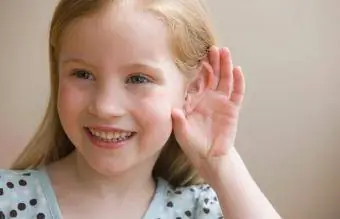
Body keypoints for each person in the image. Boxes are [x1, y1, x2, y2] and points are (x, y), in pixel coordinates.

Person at [0, 0, 281, 218]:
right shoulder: (6, 197)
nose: (105, 107)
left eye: (138, 79)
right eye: (82, 74)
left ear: (194, 88)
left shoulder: (201, 210)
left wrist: (219, 164)